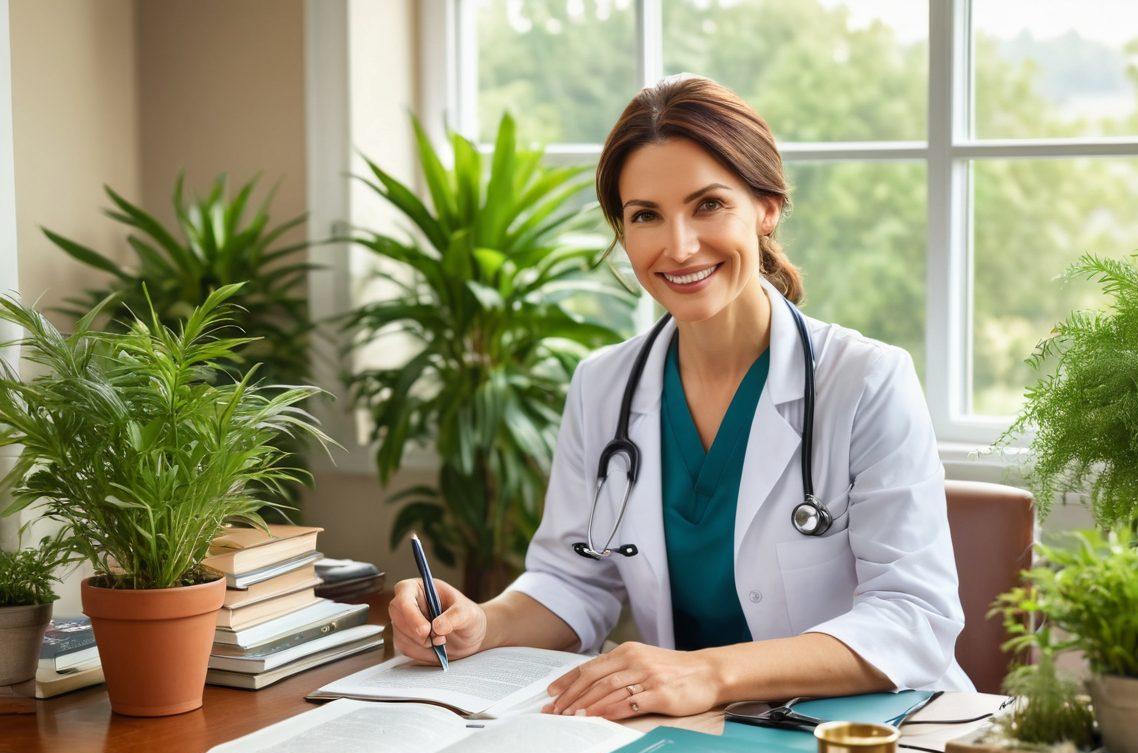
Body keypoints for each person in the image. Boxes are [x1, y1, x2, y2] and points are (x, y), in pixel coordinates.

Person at [390, 76, 973, 720]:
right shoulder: (603, 386)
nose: (679, 246)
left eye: (709, 205)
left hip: (863, 737)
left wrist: (707, 671)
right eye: (645, 216)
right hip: (692, 731)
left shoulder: (865, 380)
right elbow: (573, 581)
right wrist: (482, 623)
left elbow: (914, 617)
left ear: (767, 206)